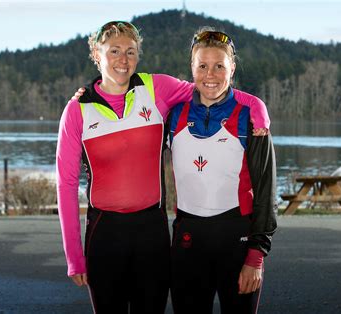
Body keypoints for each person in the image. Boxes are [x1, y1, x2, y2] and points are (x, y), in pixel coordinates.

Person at [56, 21, 270, 314]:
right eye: (114, 50)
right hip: (104, 234)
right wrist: (74, 257)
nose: (123, 59)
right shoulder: (77, 109)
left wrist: (258, 107)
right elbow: (66, 184)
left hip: (152, 232)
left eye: (130, 52)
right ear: (97, 52)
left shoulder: (156, 88)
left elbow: (209, 89)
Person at [167, 27, 277, 314]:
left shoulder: (249, 117)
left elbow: (266, 188)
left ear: (232, 68)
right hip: (188, 238)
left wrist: (256, 256)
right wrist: (90, 90)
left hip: (236, 240)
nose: (210, 75)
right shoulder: (174, 114)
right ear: (191, 68)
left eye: (219, 66)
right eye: (202, 66)